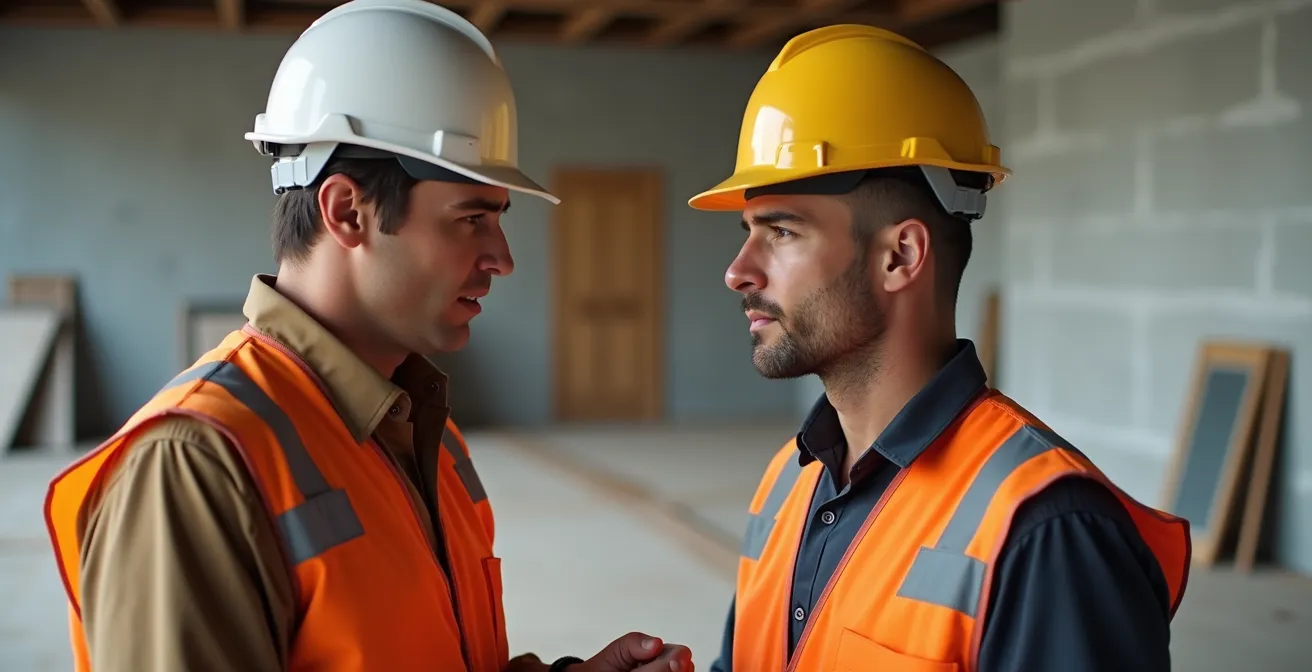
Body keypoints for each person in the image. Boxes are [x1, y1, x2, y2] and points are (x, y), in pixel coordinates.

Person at [43, 2, 692, 672]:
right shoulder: (196, 467)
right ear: (347, 212)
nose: (502, 257)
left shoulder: (418, 427)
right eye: (471, 218)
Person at [688, 24, 1191, 672]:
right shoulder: (787, 479)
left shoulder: (1047, 531)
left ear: (900, 255)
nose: (738, 271)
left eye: (781, 232)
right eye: (747, 232)